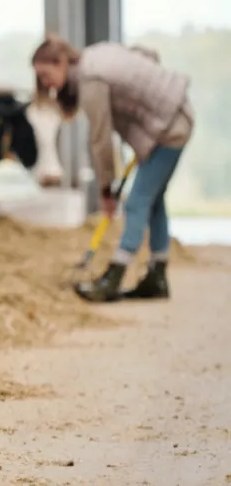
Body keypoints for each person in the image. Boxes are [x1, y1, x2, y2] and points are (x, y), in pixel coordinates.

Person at [31, 34, 194, 302]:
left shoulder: (90, 78)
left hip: (169, 128)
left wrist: (106, 190)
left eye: (46, 75)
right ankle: (157, 275)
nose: (46, 85)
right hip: (172, 119)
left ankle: (114, 276)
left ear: (61, 62)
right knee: (153, 200)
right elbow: (147, 55)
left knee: (136, 203)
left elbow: (101, 139)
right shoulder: (95, 56)